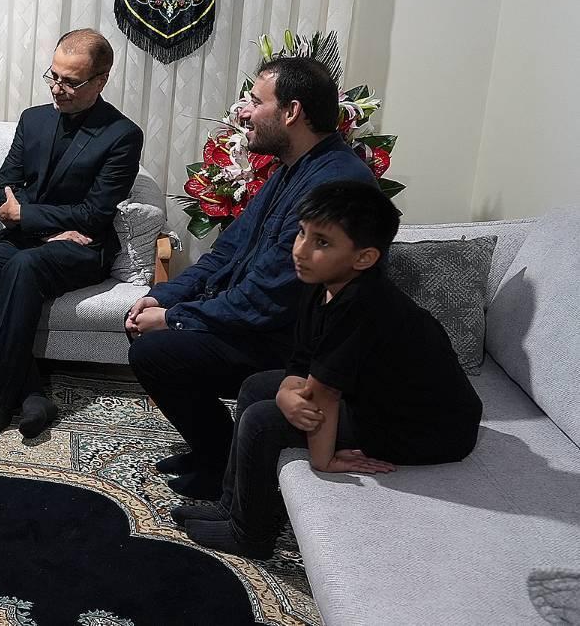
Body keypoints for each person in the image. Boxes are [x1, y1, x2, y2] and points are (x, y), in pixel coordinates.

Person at [177, 180, 483, 558]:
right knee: (256, 386)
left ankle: (249, 534)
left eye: (321, 242)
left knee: (262, 421)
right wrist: (287, 392)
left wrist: (325, 460)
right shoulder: (319, 282)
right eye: (301, 233)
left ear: (364, 258)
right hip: (373, 395)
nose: (301, 250)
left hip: (426, 427)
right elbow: (302, 360)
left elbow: (326, 392)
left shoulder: (364, 303)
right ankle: (231, 505)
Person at [126, 55, 374, 499]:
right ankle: (214, 451)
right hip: (265, 323)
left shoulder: (334, 184)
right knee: (147, 328)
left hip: (292, 342)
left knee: (156, 352)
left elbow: (271, 299)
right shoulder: (293, 168)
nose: (244, 112)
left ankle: (221, 463)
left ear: (292, 112)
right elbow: (227, 250)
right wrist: (164, 296)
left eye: (256, 102)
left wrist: (175, 318)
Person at [0, 29, 143, 445]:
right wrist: (39, 223)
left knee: (23, 265)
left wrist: (29, 215)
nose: (57, 88)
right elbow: (6, 186)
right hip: (30, 237)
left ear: (100, 80)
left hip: (83, 248)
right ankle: (32, 394)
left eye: (70, 82)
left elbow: (95, 214)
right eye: (53, 76)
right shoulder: (33, 119)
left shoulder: (122, 135)